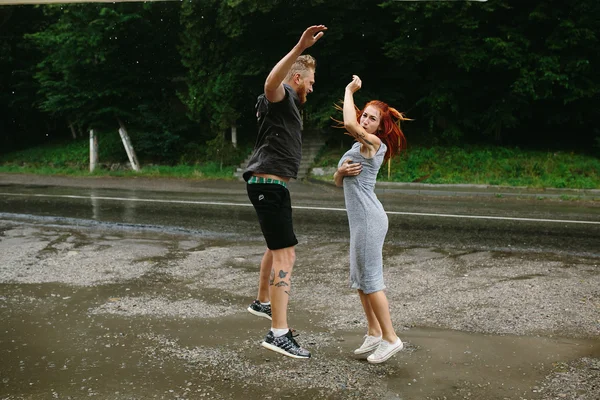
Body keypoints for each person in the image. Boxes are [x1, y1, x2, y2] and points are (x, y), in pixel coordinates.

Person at [243, 25, 327, 359]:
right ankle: (278, 333)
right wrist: (298, 47)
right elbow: (269, 84)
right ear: (295, 78)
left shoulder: (286, 102)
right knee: (286, 255)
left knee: (277, 247)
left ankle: (263, 301)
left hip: (273, 186)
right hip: (268, 184)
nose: (312, 85)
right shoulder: (282, 96)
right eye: (310, 79)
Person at [333, 75, 408, 364]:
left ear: (379, 127)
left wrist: (349, 90)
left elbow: (349, 124)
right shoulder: (355, 148)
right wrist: (340, 173)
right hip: (360, 221)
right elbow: (338, 181)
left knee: (372, 280)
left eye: (371, 119)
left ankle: (391, 339)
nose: (364, 121)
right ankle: (374, 331)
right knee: (360, 280)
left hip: (369, 219)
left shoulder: (374, 144)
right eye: (364, 115)